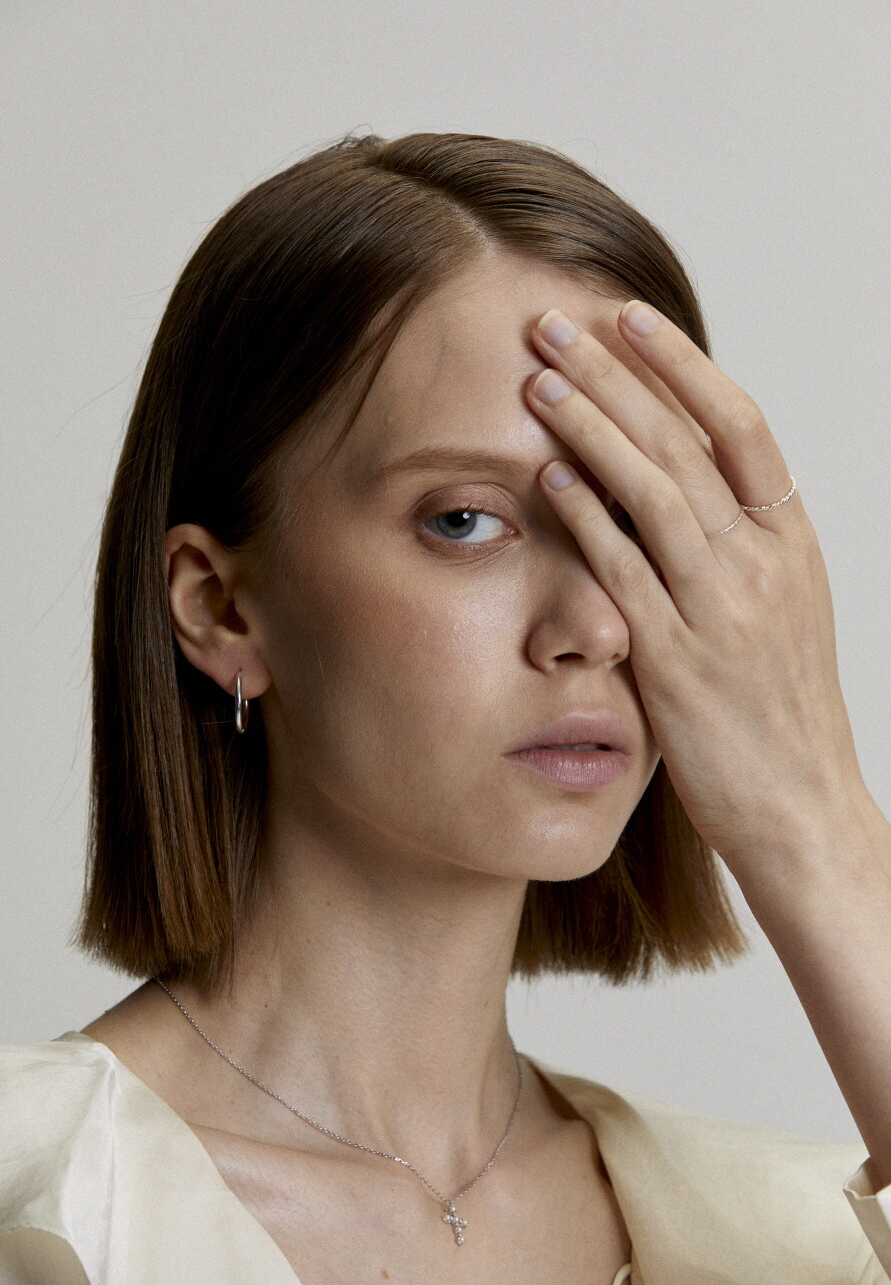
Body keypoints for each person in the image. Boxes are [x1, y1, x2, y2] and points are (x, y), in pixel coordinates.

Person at [1, 130, 890, 1285]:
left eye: (633, 522)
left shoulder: (805, 1235)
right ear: (220, 605)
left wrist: (815, 819)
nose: (599, 624)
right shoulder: (37, 1195)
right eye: (464, 520)